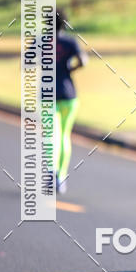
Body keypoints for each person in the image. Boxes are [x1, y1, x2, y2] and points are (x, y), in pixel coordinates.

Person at [55, 10, 87, 194]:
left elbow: (26, 62)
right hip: (69, 95)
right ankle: (61, 176)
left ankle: (51, 172)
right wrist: (69, 69)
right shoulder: (70, 42)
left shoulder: (41, 41)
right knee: (64, 136)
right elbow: (83, 61)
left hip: (48, 95)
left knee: (51, 135)